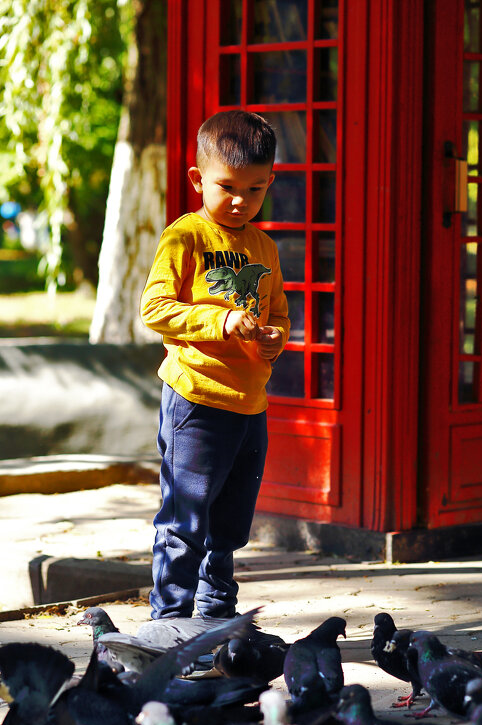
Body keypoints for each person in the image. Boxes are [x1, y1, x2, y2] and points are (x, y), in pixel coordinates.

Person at [140, 110, 290, 628]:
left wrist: (273, 340)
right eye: (226, 187)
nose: (239, 201)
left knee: (230, 521)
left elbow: (278, 316)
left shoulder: (264, 248)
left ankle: (216, 617)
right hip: (197, 401)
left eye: (254, 189)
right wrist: (220, 322)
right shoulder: (185, 238)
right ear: (198, 179)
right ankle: (170, 623)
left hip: (250, 406)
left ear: (269, 183)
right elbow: (154, 309)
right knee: (185, 519)